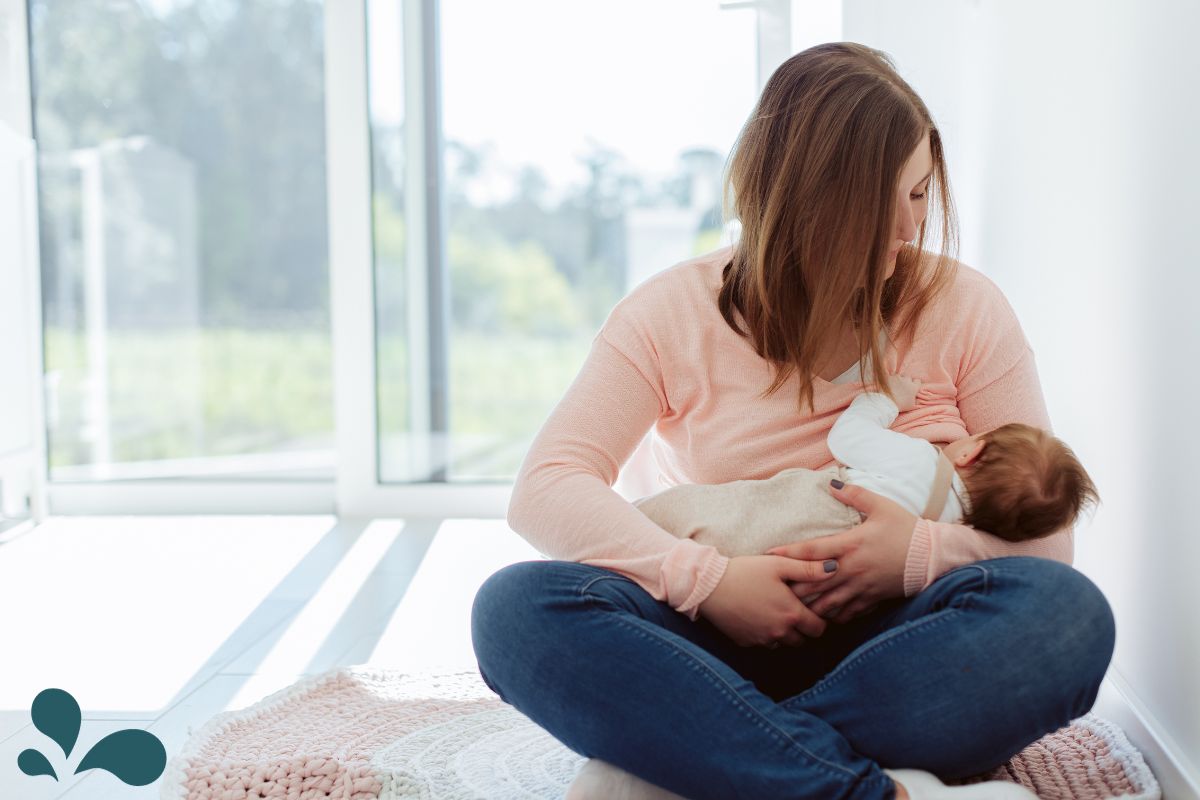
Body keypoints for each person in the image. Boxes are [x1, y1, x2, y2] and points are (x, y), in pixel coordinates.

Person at [471, 42, 1115, 800]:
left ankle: (695, 754)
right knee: (515, 611)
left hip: (897, 641)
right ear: (811, 199)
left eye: (919, 196)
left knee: (1067, 619)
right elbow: (545, 487)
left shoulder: (965, 308)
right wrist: (711, 584)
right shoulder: (668, 313)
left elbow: (1048, 546)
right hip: (707, 640)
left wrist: (915, 555)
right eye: (892, 203)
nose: (911, 230)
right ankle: (836, 783)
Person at [634, 372, 1101, 559]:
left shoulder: (923, 461)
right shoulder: (956, 532)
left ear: (968, 452)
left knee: (696, 513)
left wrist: (884, 400)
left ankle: (633, 524)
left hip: (804, 510)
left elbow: (848, 438)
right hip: (823, 571)